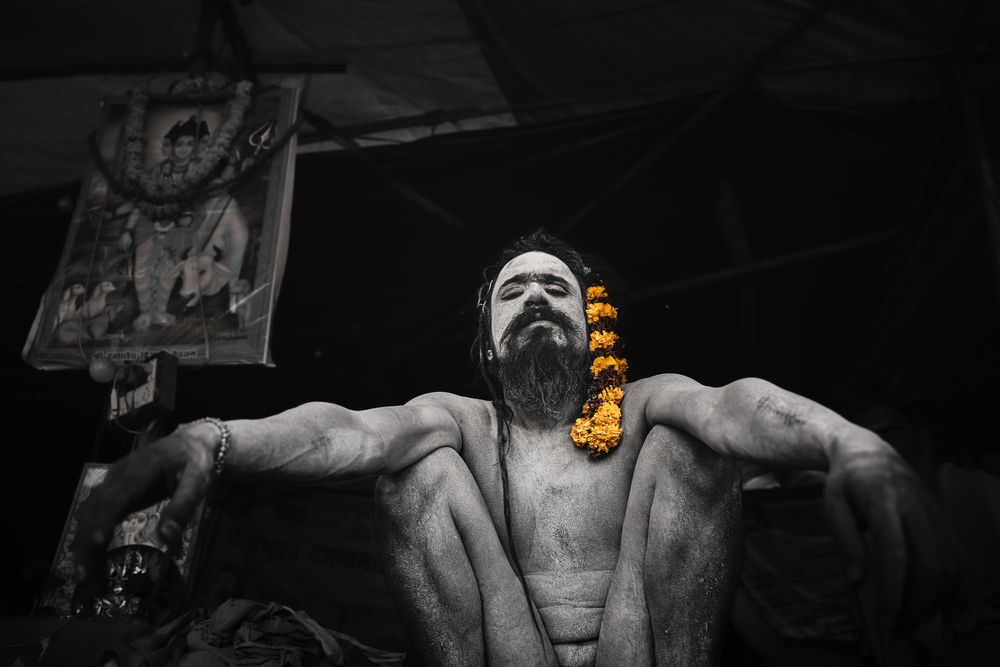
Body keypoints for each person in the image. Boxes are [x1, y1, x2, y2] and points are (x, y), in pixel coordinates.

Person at [73, 229, 955, 666]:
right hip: (504, 650)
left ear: (591, 325)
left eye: (556, 290)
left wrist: (854, 446)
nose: (536, 298)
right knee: (412, 469)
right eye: (515, 291)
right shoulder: (461, 421)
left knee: (691, 445)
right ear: (490, 342)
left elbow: (733, 407)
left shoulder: (642, 404)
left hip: (642, 648)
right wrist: (215, 437)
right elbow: (350, 430)